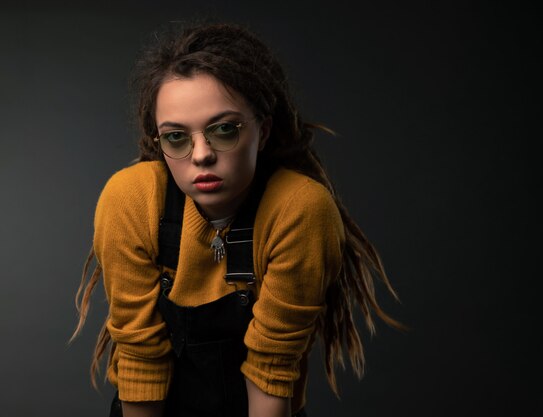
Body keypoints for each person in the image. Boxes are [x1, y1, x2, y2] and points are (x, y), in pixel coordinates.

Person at [72, 21, 403, 417]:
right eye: (177, 137)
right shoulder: (130, 201)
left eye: (224, 130)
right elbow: (140, 360)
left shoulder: (300, 211)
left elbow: (271, 369)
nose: (201, 155)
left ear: (262, 132)